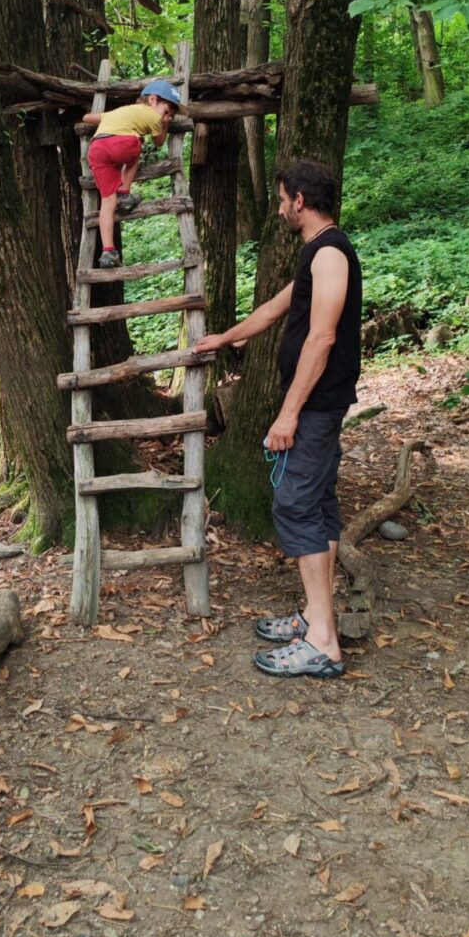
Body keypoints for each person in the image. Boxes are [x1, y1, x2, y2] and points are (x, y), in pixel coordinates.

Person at [194, 158, 362, 679]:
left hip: (315, 405)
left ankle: (323, 643)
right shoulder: (316, 253)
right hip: (315, 405)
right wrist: (224, 338)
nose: (280, 208)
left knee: (294, 506)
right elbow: (273, 309)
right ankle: (317, 615)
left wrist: (288, 412)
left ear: (301, 201)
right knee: (319, 503)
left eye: (283, 198)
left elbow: (323, 337)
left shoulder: (331, 254)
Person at [83, 78, 183, 268]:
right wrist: (165, 125)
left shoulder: (121, 111)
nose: (167, 117)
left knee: (107, 201)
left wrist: (104, 119)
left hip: (96, 150)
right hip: (121, 145)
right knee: (136, 144)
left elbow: (88, 118)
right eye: (168, 111)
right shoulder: (153, 117)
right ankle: (125, 193)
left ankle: (108, 251)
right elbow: (159, 142)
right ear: (153, 100)